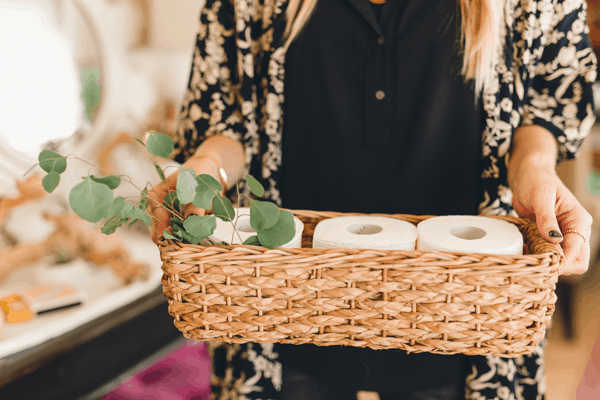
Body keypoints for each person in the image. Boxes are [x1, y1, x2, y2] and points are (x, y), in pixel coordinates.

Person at [149, 0, 597, 398]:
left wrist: (535, 167)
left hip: (462, 320)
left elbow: (546, 106)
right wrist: (205, 170)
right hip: (282, 317)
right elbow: (225, 120)